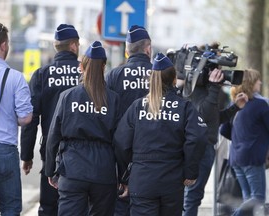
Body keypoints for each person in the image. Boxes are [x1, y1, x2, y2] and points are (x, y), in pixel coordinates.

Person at [113, 53, 208, 216]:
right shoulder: (184, 107)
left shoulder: (138, 107)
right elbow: (197, 137)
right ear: (173, 79)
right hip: (172, 181)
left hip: (142, 180)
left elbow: (121, 143)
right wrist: (190, 171)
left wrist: (124, 176)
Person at [45, 41, 121, 216]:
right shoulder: (114, 99)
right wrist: (123, 175)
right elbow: (120, 142)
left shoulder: (67, 96)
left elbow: (53, 136)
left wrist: (50, 169)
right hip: (103, 171)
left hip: (72, 169)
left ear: (81, 66)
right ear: (104, 67)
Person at [179, 42, 248, 216]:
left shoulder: (206, 88)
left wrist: (235, 108)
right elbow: (202, 115)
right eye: (215, 68)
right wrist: (215, 87)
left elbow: (213, 120)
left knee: (193, 196)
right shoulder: (195, 88)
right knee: (191, 197)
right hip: (198, 147)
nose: (219, 72)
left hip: (205, 146)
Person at [20, 24, 81, 216]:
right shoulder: (85, 73)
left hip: (51, 150)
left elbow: (31, 118)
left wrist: (27, 155)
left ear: (56, 46)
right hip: (83, 152)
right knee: (78, 206)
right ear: (73, 46)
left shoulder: (42, 74)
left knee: (48, 207)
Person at [0, 22, 33, 215]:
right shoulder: (15, 78)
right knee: (10, 208)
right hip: (4, 149)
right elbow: (26, 118)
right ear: (3, 45)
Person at [105, 24, 152, 216]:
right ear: (148, 49)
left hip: (120, 153)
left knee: (121, 203)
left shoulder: (114, 75)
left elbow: (105, 115)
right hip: (153, 154)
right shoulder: (159, 75)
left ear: (127, 51)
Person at [221, 68, 269, 216]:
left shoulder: (235, 105)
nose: (260, 82)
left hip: (236, 158)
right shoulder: (261, 105)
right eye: (257, 80)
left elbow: (223, 130)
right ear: (250, 83)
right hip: (252, 158)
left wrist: (240, 140)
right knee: (258, 198)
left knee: (248, 199)